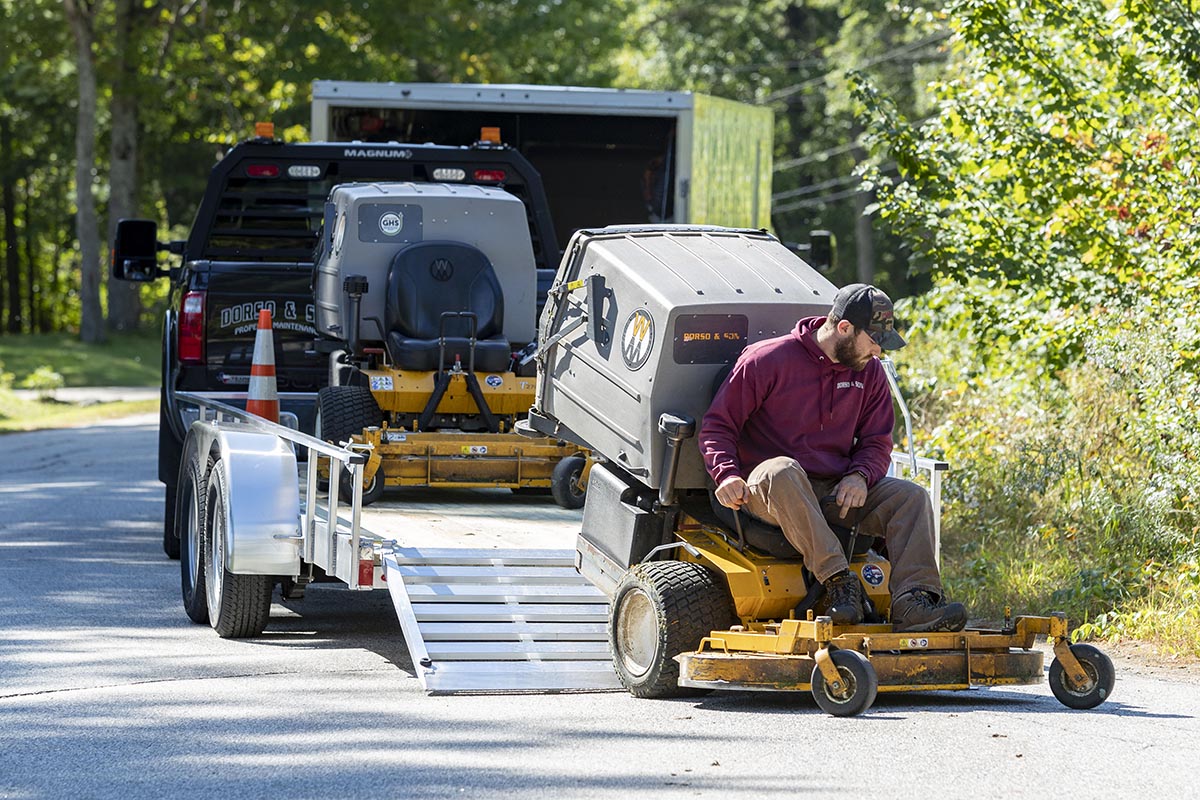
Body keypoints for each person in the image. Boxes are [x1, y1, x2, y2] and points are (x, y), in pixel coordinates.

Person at [699, 283, 967, 632]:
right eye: (872, 341)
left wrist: (860, 475)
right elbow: (717, 427)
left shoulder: (868, 372)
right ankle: (839, 582)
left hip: (831, 491)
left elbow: (876, 440)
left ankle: (914, 602)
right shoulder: (765, 360)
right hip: (765, 493)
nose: (878, 352)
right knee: (782, 470)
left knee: (910, 497)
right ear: (843, 328)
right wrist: (726, 475)